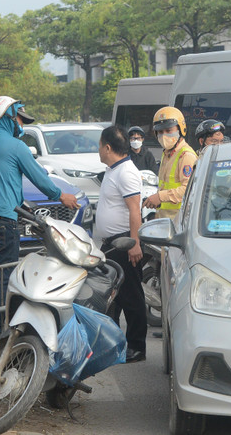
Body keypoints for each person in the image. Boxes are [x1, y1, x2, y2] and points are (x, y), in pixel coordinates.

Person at [0, 96, 80, 341]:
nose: (22, 122)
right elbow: (39, 178)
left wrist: (20, 206)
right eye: (19, 116)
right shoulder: (16, 146)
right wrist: (61, 196)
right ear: (7, 117)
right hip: (2, 223)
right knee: (2, 276)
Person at [94, 125, 147, 363]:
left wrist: (134, 243)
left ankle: (136, 347)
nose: (98, 151)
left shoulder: (126, 171)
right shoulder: (112, 170)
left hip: (125, 242)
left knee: (131, 296)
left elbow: (134, 210)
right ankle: (113, 344)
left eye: (99, 146)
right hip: (111, 244)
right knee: (111, 297)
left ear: (107, 147)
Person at [143, 107, 197, 220]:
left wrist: (160, 197)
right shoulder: (167, 153)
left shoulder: (186, 155)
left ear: (181, 129)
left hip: (179, 221)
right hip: (165, 219)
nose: (164, 136)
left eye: (169, 131)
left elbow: (190, 189)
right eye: (160, 132)